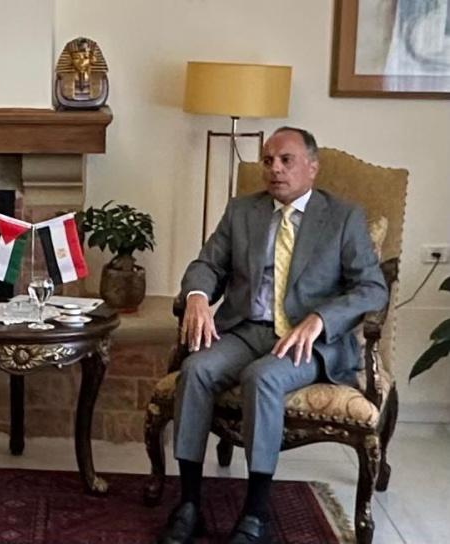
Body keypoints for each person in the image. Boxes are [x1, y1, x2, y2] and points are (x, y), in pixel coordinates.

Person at [156, 127, 388, 544]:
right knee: (195, 370)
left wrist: (321, 318)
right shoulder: (242, 211)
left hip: (308, 341)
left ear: (312, 167)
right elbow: (207, 264)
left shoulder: (343, 217)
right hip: (246, 330)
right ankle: (189, 503)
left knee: (261, 377)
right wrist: (197, 296)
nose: (274, 169)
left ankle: (256, 512)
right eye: (268, 161)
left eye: (286, 160)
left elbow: (372, 288)